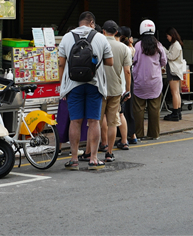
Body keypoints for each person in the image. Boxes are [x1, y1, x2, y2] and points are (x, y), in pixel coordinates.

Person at [57, 11, 113, 169]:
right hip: (95, 85)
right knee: (94, 121)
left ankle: (74, 159)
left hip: (73, 85)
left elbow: (61, 63)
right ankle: (94, 158)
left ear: (79, 23)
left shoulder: (67, 37)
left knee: (75, 121)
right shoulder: (101, 38)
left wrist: (63, 86)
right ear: (92, 23)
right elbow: (110, 61)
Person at [100, 20, 131, 162]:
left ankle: (98, 148)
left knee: (97, 121)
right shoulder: (123, 48)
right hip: (116, 89)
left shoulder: (98, 45)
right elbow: (127, 71)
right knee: (113, 122)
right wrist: (128, 90)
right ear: (117, 32)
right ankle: (109, 153)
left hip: (99, 88)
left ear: (103, 31)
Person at [131, 19, 167, 140]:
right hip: (155, 82)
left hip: (139, 81)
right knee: (154, 109)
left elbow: (132, 61)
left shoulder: (137, 45)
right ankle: (154, 134)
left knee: (138, 109)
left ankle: (139, 134)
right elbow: (164, 62)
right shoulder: (159, 45)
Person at [163, 27, 187, 122]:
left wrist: (164, 50)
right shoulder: (176, 44)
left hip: (174, 71)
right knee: (177, 92)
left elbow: (171, 57)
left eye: (167, 36)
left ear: (171, 35)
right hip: (176, 70)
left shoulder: (176, 45)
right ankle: (178, 112)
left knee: (174, 93)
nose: (167, 38)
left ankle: (175, 112)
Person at [119, 26, 137, 145]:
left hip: (124, 80)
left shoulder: (123, 48)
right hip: (130, 80)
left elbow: (126, 70)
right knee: (128, 110)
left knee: (121, 111)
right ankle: (132, 135)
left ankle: (124, 137)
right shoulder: (131, 48)